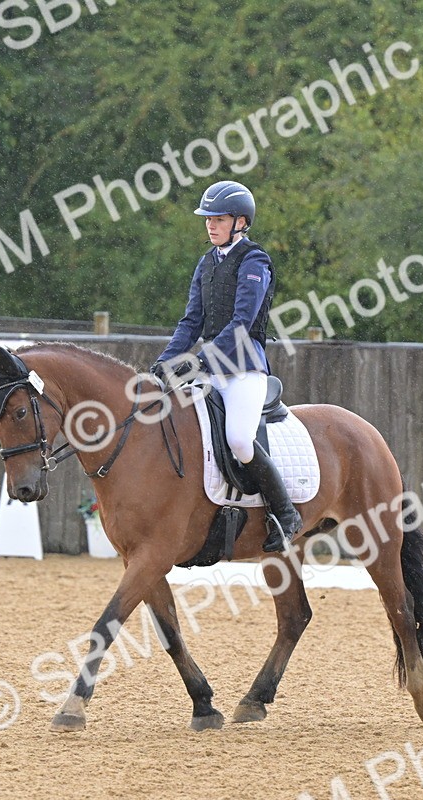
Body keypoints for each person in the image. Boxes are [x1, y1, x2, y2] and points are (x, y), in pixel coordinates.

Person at [151, 180, 302, 552]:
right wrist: (165, 361)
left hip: (244, 370)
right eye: (208, 219)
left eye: (218, 219)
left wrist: (200, 360)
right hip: (210, 371)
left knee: (239, 439)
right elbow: (191, 323)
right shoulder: (206, 263)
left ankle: (285, 514)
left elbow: (241, 324)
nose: (210, 225)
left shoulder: (254, 261)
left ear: (240, 222)